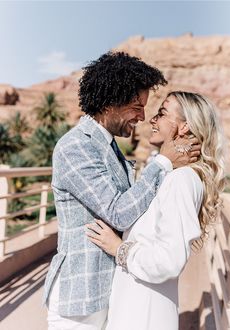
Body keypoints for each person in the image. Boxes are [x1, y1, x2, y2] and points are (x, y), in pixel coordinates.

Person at [43, 52, 200, 330]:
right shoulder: (75, 147)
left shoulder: (110, 148)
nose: (142, 116)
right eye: (136, 106)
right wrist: (164, 161)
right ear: (111, 102)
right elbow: (118, 212)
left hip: (108, 296)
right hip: (80, 299)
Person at [86, 91, 225, 330]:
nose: (152, 120)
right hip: (138, 304)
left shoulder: (181, 180)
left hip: (144, 313)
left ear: (184, 127)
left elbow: (168, 261)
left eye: (161, 113)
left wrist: (119, 249)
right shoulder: (174, 175)